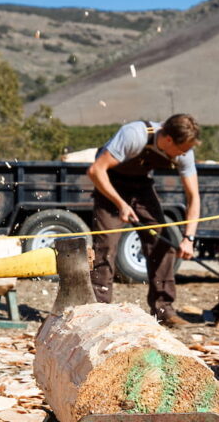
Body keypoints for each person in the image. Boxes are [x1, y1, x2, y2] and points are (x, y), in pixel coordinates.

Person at [86, 115, 200, 327]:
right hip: (109, 184)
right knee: (106, 246)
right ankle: (98, 310)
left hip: (141, 186)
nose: (183, 154)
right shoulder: (134, 135)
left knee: (163, 243)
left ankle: (163, 310)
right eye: (181, 149)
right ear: (167, 140)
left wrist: (189, 238)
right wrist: (120, 204)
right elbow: (95, 171)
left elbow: (193, 197)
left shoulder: (185, 153)